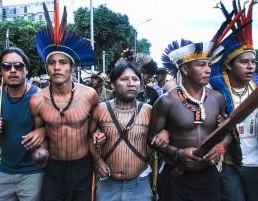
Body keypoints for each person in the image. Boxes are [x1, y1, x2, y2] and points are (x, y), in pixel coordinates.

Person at [148, 41, 231, 201]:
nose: (208, 70)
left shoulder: (217, 98)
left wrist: (221, 147)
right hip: (176, 175)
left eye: (209, 65)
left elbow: (227, 132)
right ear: (185, 69)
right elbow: (151, 139)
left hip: (208, 175)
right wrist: (178, 153)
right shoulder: (167, 101)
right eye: (201, 65)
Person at [32, 2, 98, 200]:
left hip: (82, 166)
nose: (57, 67)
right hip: (54, 167)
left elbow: (96, 128)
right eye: (52, 63)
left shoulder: (89, 95)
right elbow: (40, 133)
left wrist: (100, 135)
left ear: (72, 68)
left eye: (62, 62)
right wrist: (40, 148)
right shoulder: (37, 100)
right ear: (47, 68)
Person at [209, 1, 258, 201]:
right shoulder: (216, 94)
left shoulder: (256, 92)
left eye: (254, 62)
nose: (250, 67)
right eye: (244, 62)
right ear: (229, 65)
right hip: (229, 163)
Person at [89, 60, 152, 201]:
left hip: (139, 185)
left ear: (140, 85)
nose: (131, 83)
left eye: (135, 79)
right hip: (107, 183)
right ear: (112, 84)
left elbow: (158, 138)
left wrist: (164, 133)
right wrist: (99, 160)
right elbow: (88, 138)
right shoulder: (101, 109)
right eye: (124, 79)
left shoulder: (149, 111)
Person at [0, 47, 45, 201]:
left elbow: (57, 126)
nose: (12, 70)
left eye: (18, 66)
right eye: (7, 66)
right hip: (4, 171)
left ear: (26, 70)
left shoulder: (41, 97)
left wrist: (43, 131)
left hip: (34, 172)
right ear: (1, 70)